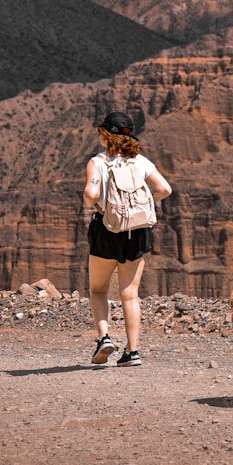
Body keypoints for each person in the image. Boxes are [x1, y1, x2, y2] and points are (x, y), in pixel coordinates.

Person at [82, 110, 172, 367]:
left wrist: (91, 198)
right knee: (129, 294)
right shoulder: (141, 162)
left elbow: (90, 194)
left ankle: (105, 338)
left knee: (98, 289)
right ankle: (133, 352)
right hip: (137, 231)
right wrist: (143, 204)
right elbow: (165, 189)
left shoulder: (97, 162)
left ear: (106, 135)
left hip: (106, 231)